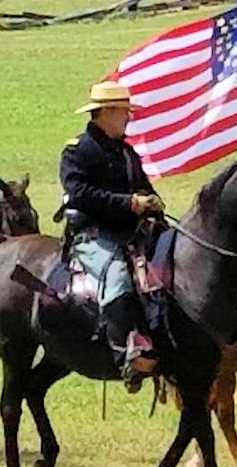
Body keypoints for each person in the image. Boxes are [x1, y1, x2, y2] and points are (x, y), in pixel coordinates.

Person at [59, 80, 163, 392]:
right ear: (105, 113)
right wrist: (128, 203)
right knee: (117, 277)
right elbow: (78, 192)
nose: (129, 118)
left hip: (133, 231)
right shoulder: (77, 151)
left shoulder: (127, 151)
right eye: (124, 112)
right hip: (93, 233)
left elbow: (142, 185)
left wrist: (152, 202)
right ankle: (125, 356)